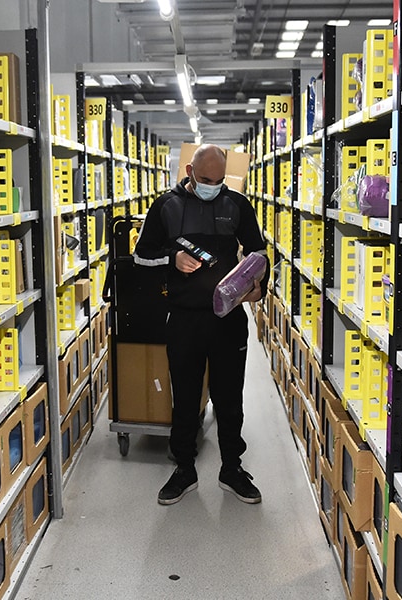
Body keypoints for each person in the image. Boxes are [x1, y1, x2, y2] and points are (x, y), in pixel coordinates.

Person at [133, 143, 269, 505]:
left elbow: (259, 254)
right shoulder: (165, 206)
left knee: (229, 397)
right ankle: (183, 468)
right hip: (184, 319)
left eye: (220, 180)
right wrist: (171, 258)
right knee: (185, 397)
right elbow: (140, 256)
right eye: (207, 179)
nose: (214, 186)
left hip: (228, 319)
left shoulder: (237, 205)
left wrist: (258, 289)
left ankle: (232, 468)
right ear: (190, 173)